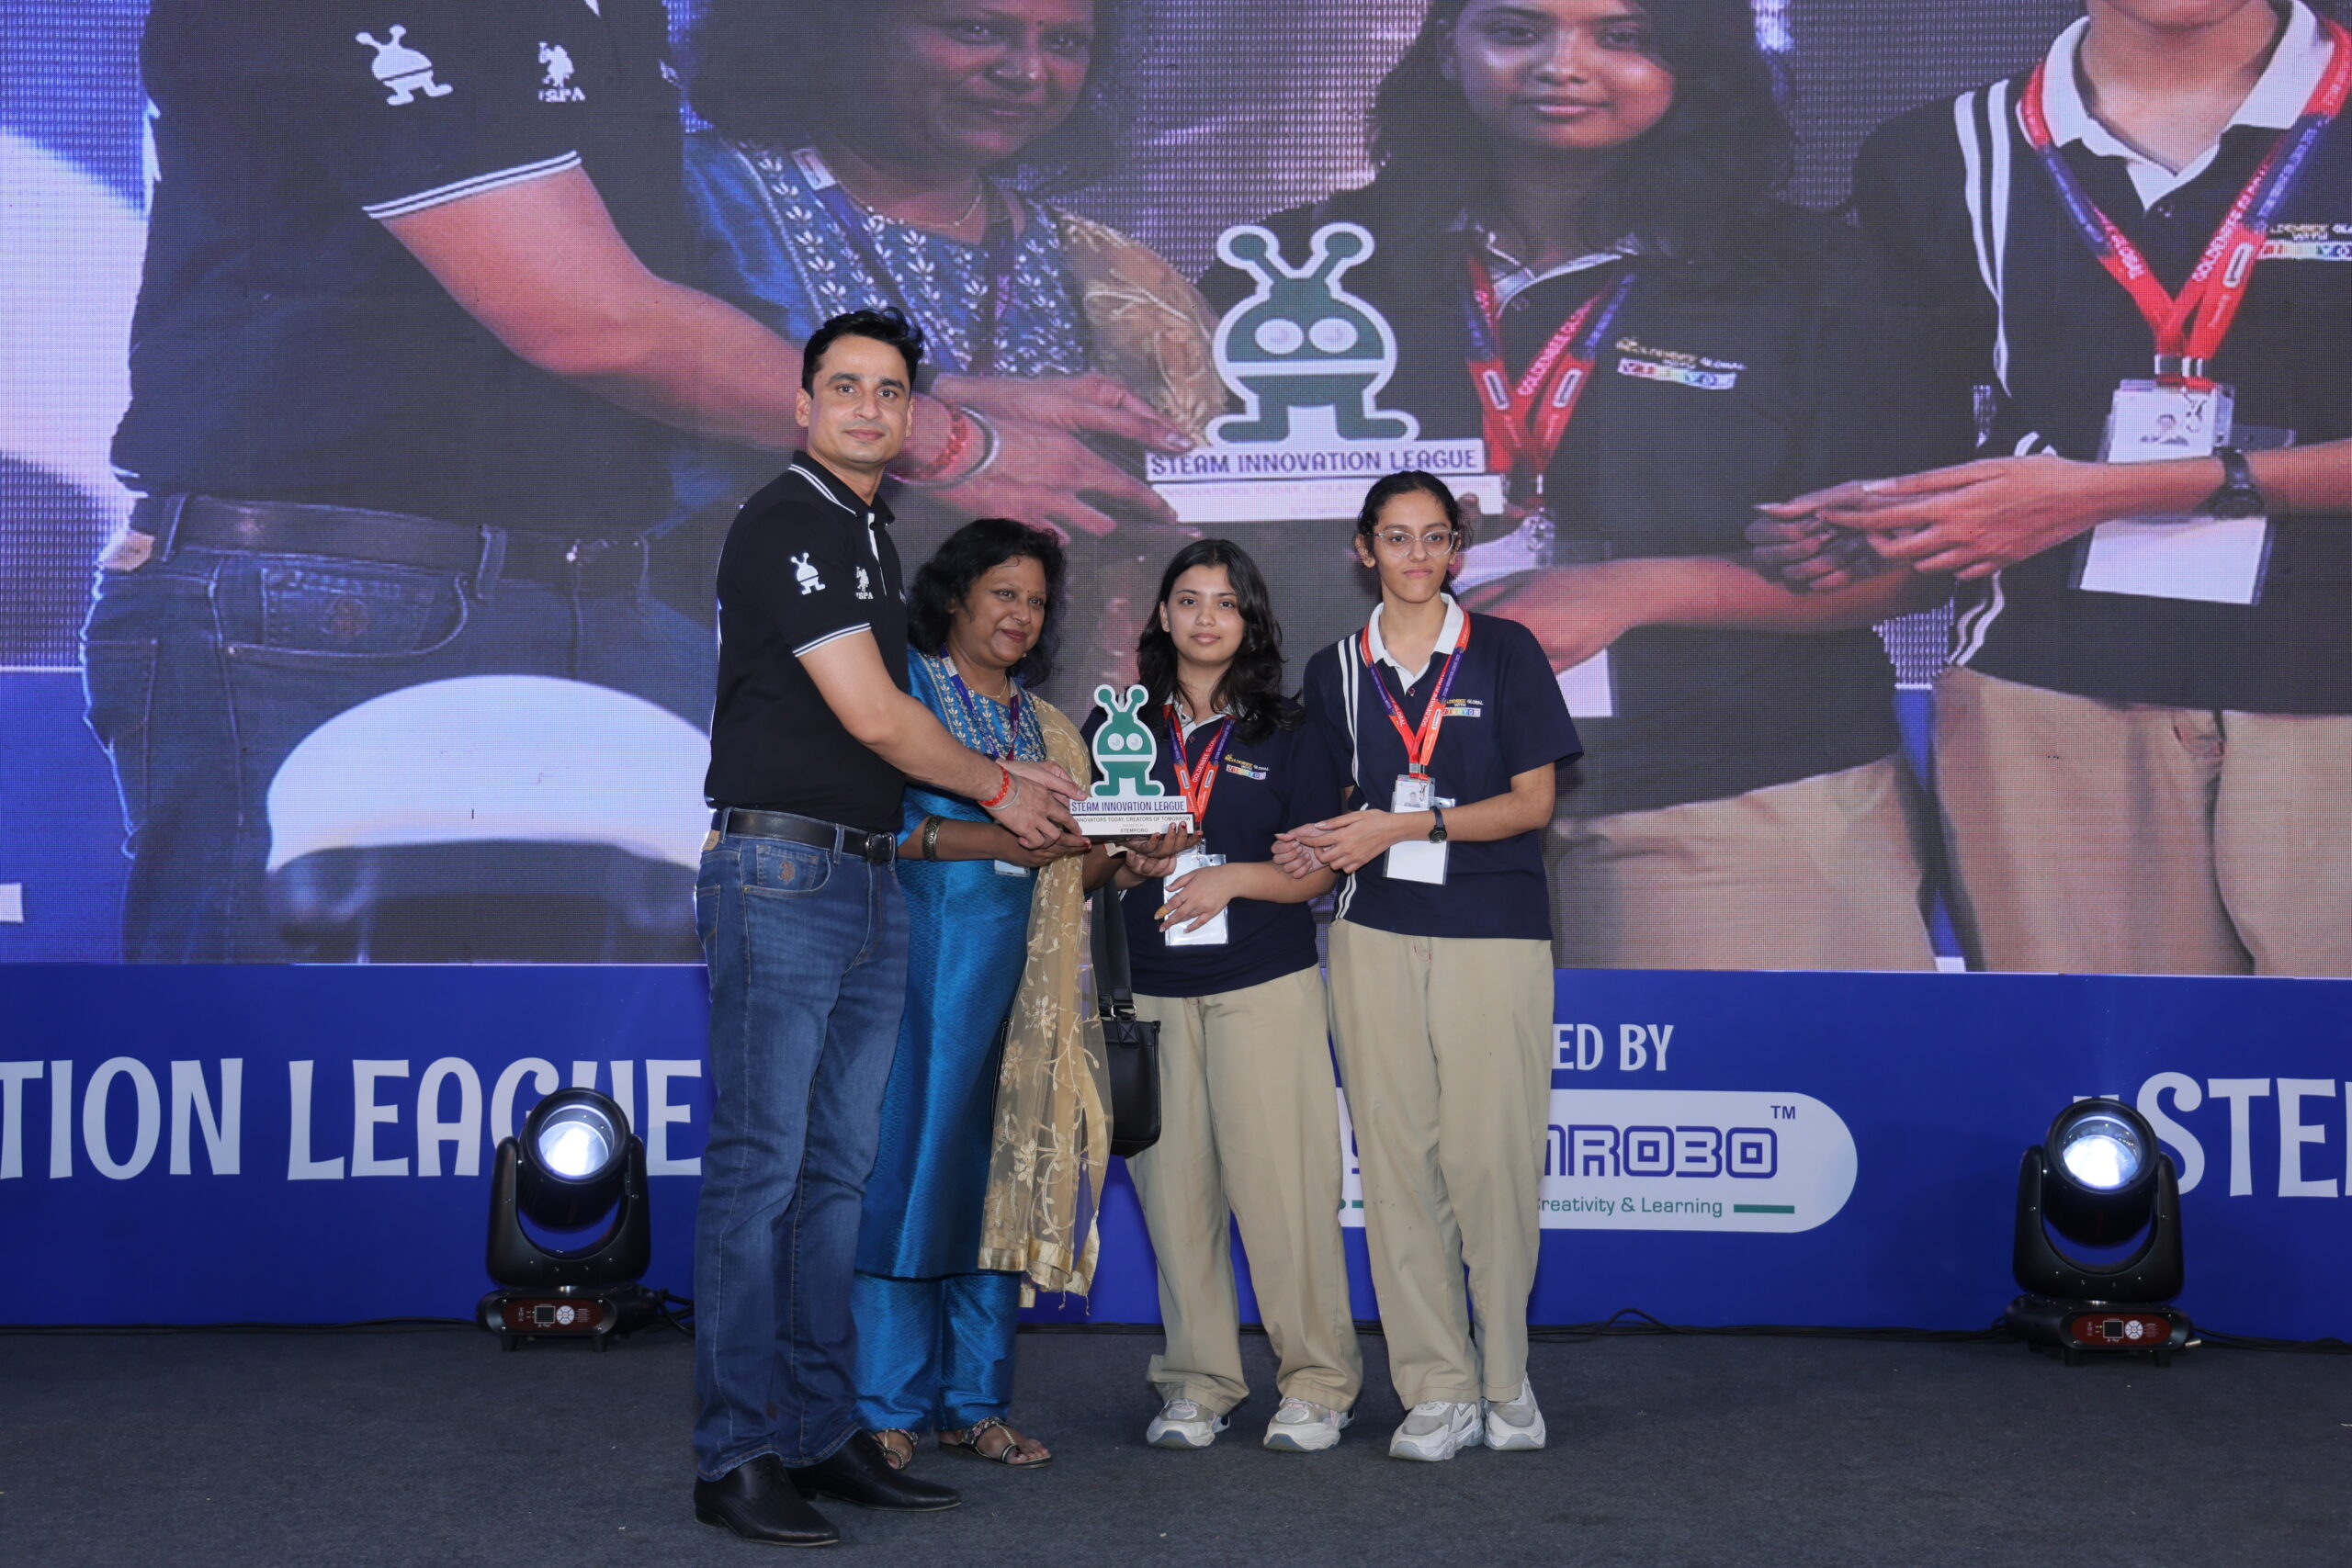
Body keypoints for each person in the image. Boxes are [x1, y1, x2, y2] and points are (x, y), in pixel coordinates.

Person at [1205, 0, 1967, 971]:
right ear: (1446, 47)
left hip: (1728, 786)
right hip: (1380, 798)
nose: (1563, 66)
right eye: (1516, 31)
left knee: (1734, 1073)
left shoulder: (1817, 274)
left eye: (1623, 36)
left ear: (1697, 60)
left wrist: (1631, 592)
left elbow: (1910, 563)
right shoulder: (1305, 273)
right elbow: (1198, 543)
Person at [1756, 0, 2352, 976]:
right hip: (2047, 691)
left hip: (2328, 686)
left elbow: (2070, 491)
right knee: (2100, 1059)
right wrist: (1859, 520)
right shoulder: (1938, 152)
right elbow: (1916, 434)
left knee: (2326, 1060)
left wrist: (2114, 491)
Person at [694, 309, 1083, 1548]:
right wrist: (1001, 784)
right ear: (802, 404)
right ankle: (735, 1453)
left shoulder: (866, 534)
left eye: (890, 390)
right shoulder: (791, 519)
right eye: (846, 386)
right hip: (781, 870)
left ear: (913, 419)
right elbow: (873, 715)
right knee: (762, 1172)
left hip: (862, 875)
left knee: (834, 1179)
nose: (868, 407)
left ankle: (823, 1433)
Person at [678, 0, 1226, 692]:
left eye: (1064, 42)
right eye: (977, 30)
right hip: (715, 693)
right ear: (844, 25)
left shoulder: (1121, 282)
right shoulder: (693, 198)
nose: (1028, 72)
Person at [1273, 470, 1581, 1462]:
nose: (1416, 555)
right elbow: (1331, 809)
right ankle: (1437, 1386)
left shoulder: (1506, 648)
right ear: (1364, 548)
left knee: (1492, 1162)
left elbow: (1532, 803)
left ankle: (1505, 1377)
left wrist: (1408, 823)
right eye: (1396, 537)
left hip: (1494, 928)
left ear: (1457, 548)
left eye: (1434, 536)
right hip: (1371, 932)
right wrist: (1303, 842)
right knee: (1398, 1164)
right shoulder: (1333, 668)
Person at [1076, 540, 1362, 1453]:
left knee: (1284, 1197)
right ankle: (1197, 1383)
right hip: (1150, 994)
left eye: (1226, 602)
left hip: (1262, 988)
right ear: (1161, 615)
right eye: (1189, 599)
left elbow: (1317, 870)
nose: (1206, 617)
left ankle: (1317, 1382)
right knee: (1176, 1200)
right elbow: (1087, 862)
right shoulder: (1116, 723)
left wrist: (1231, 878)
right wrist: (1132, 861)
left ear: (1251, 621)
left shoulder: (1290, 729)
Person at [853, 518, 1092, 1472]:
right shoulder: (902, 695)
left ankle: (975, 1404)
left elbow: (1070, 862)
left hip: (1026, 987)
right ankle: (884, 1408)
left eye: (1035, 601)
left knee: (1002, 1182)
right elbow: (875, 828)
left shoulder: (1046, 726)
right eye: (1003, 593)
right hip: (920, 972)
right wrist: (996, 837)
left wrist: (1131, 855)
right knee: (911, 1174)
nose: (1020, 615)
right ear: (955, 596)